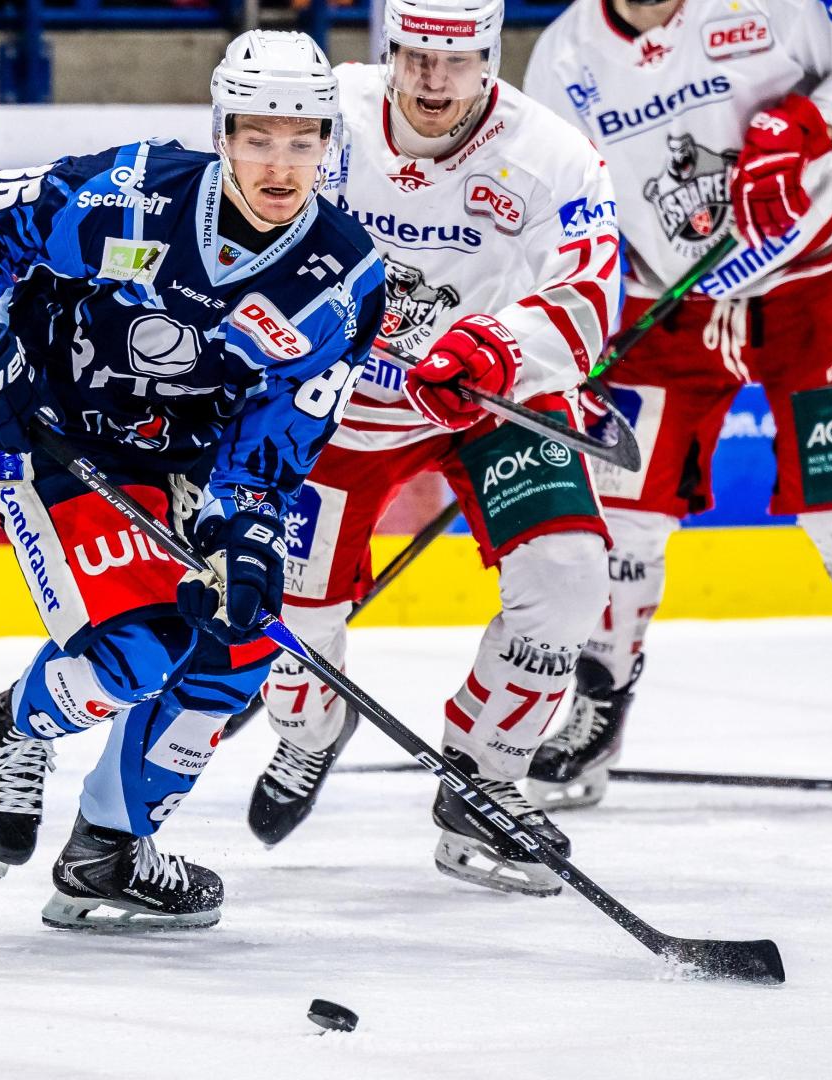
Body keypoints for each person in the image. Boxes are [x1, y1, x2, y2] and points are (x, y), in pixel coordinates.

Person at [0, 30, 385, 930]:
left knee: (242, 648)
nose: (279, 165)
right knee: (140, 649)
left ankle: (109, 847)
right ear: (222, 132)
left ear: (330, 144)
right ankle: (19, 724)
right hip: (58, 436)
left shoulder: (342, 281)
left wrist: (245, 532)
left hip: (186, 464)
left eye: (302, 141)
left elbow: (278, 438)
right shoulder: (131, 194)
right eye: (257, 137)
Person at [521, 0, 832, 808]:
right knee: (622, 518)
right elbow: (552, 206)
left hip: (817, 278)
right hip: (662, 303)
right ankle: (599, 700)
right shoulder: (565, 55)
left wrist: (812, 126)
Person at [246, 0, 621, 897]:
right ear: (390, 46)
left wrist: (500, 346)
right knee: (294, 625)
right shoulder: (319, 116)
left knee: (569, 578)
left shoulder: (553, 156)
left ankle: (486, 779)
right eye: (415, 56)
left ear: (491, 54)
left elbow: (588, 295)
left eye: (457, 62)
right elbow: (233, 232)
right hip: (328, 410)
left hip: (480, 397)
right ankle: (308, 731)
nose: (433, 82)